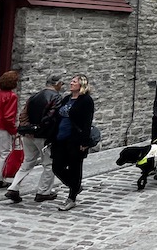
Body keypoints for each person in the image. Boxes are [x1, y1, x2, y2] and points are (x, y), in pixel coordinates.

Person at [5, 73, 64, 203]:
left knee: (27, 162)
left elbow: (23, 114)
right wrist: (39, 129)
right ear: (57, 84)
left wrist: (27, 128)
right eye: (61, 83)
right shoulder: (56, 97)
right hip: (43, 136)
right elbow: (50, 118)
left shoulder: (34, 96)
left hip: (28, 135)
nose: (62, 86)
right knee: (49, 164)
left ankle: (13, 187)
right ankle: (43, 192)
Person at [50, 74, 94, 211]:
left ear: (81, 85)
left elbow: (87, 122)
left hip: (75, 139)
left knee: (75, 168)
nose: (71, 83)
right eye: (71, 81)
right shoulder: (67, 99)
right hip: (60, 138)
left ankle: (71, 198)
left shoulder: (86, 100)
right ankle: (75, 186)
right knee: (57, 167)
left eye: (74, 82)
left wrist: (84, 141)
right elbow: (58, 118)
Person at [0, 70, 19, 189]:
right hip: (1, 128)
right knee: (5, 153)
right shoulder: (11, 96)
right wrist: (13, 131)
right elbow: (8, 117)